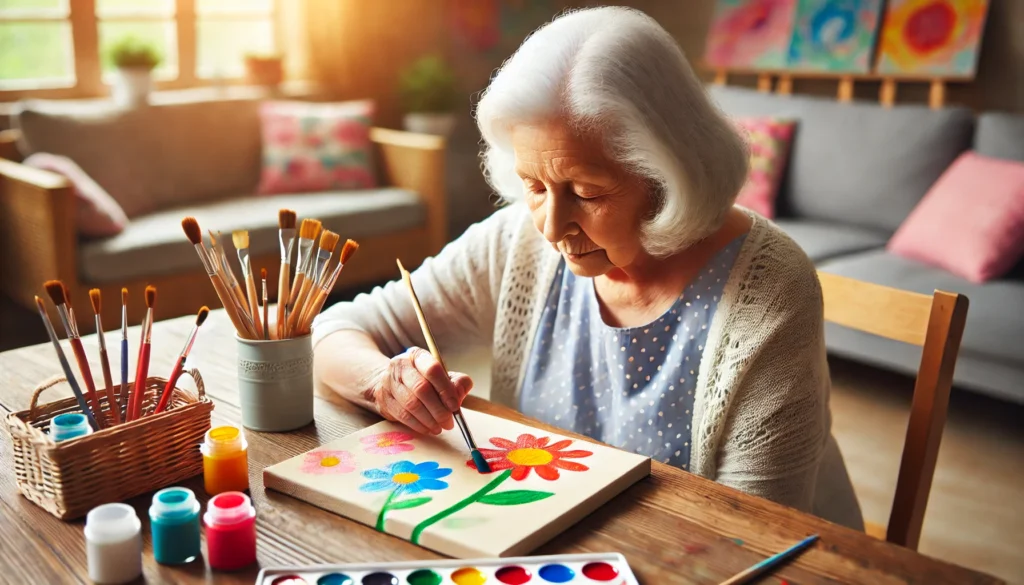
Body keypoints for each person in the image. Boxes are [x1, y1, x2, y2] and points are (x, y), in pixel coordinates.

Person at [313, 6, 863, 529]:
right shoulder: (517, 241)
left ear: (668, 174)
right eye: (533, 185)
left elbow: (755, 532)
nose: (551, 227)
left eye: (586, 192)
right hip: (564, 539)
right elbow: (334, 330)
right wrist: (382, 382)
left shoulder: (769, 291)